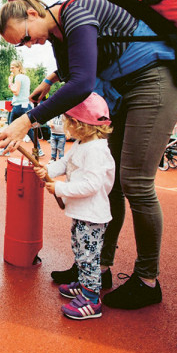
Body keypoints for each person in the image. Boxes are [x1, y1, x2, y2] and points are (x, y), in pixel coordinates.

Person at [0, 0, 177, 309]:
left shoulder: (77, 12)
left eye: (24, 38)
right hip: (125, 90)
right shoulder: (56, 33)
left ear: (34, 15)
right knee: (112, 184)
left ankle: (147, 280)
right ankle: (98, 268)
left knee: (135, 182)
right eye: (20, 46)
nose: (27, 46)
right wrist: (50, 80)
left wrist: (28, 120)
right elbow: (73, 71)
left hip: (154, 82)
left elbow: (81, 84)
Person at [33, 93, 114, 320]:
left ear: (79, 124)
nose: (65, 125)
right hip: (81, 212)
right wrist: (48, 171)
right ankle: (84, 284)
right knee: (80, 250)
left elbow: (91, 185)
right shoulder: (82, 144)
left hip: (92, 214)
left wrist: (59, 189)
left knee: (89, 256)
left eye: (68, 121)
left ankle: (92, 299)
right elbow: (65, 164)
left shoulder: (97, 150)